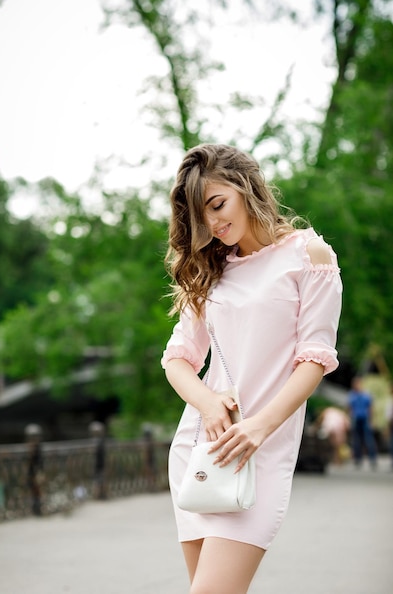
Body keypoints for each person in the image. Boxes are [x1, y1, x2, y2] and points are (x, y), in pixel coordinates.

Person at [161, 143, 342, 594]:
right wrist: (206, 402)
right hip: (199, 450)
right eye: (201, 217)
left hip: (260, 450)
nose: (213, 223)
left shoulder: (310, 256)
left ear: (247, 187)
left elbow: (314, 359)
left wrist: (260, 426)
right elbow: (177, 359)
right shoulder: (212, 270)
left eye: (218, 204)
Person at [348, 376, 378, 468]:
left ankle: (372, 458)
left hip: (364, 418)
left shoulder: (366, 395)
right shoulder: (352, 395)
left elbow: (370, 408)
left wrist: (371, 420)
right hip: (356, 418)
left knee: (368, 439)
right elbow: (350, 408)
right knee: (357, 440)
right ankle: (358, 458)